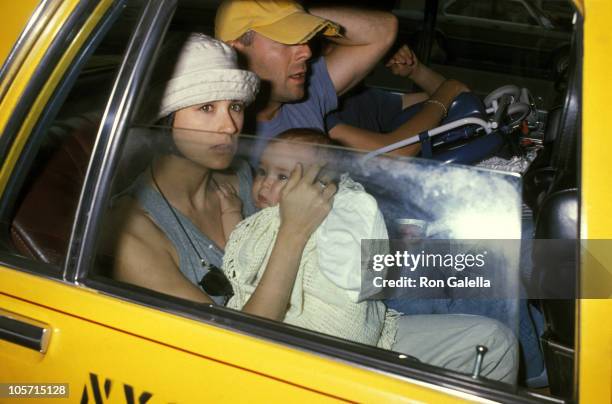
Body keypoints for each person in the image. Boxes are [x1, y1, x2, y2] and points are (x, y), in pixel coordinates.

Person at [216, 128, 519, 383]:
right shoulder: (261, 220)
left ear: (323, 187)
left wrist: (342, 215)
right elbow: (239, 257)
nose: (265, 184)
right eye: (263, 172)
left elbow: (360, 276)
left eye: (283, 177)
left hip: (349, 328)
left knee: (495, 340)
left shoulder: (343, 210)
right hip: (304, 352)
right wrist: (232, 214)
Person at [108, 33, 337, 320]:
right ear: (164, 118)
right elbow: (238, 343)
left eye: (236, 106)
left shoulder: (241, 176)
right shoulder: (132, 235)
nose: (229, 126)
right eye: (206, 108)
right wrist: (293, 233)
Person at [215, 0, 469, 159]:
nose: (306, 51)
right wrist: (444, 97)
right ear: (235, 50)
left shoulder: (303, 98)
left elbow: (382, 29)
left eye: (306, 39)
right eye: (287, 40)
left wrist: (291, 9)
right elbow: (392, 154)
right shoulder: (222, 131)